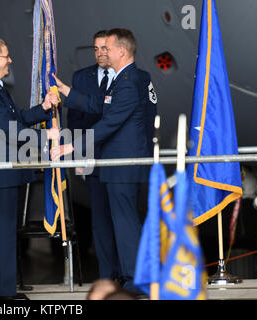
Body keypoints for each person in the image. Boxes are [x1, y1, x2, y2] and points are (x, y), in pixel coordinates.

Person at [52, 28, 157, 295]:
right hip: (119, 165)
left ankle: (135, 280)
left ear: (121, 51)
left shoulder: (129, 82)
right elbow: (101, 104)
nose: (103, 53)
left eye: (107, 48)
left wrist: (73, 145)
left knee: (126, 224)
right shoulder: (127, 79)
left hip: (122, 164)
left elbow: (110, 121)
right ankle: (129, 276)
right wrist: (67, 91)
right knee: (122, 222)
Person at [0, 36, 59, 300]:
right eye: (6, 56)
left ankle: (3, 291)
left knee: (6, 232)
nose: (10, 60)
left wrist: (42, 109)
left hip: (6, 171)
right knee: (1, 233)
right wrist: (47, 138)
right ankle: (0, 295)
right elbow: (7, 131)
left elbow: (16, 118)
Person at [67, 30, 122, 278]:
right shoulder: (82, 77)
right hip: (93, 160)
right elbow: (75, 121)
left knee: (123, 219)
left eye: (104, 48)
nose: (100, 53)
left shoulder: (126, 76)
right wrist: (79, 156)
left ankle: (127, 273)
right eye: (96, 48)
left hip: (121, 158)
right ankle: (107, 276)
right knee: (100, 220)